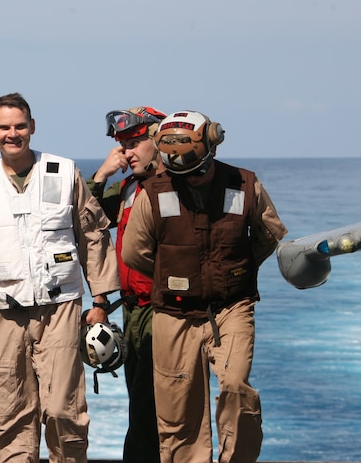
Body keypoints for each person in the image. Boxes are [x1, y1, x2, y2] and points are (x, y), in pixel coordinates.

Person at [0, 92, 120, 463]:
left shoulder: (65, 173)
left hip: (61, 311)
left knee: (64, 410)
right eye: (4, 127)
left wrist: (100, 302)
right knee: (9, 414)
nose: (12, 133)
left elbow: (93, 238)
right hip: (5, 314)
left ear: (32, 128)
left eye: (19, 126)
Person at [120, 110, 287, 463]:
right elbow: (135, 253)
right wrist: (177, 274)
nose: (192, 180)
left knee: (236, 390)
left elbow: (268, 234)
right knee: (178, 413)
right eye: (183, 174)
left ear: (212, 148)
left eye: (197, 171)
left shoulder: (244, 185)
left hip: (232, 307)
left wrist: (232, 270)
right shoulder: (153, 193)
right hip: (173, 313)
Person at [87, 106, 167, 463]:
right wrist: (101, 175)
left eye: (134, 142)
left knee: (160, 413)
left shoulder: (181, 185)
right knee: (141, 407)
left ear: (159, 140)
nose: (127, 152)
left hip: (167, 313)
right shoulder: (128, 189)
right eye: (122, 144)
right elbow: (84, 219)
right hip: (133, 311)